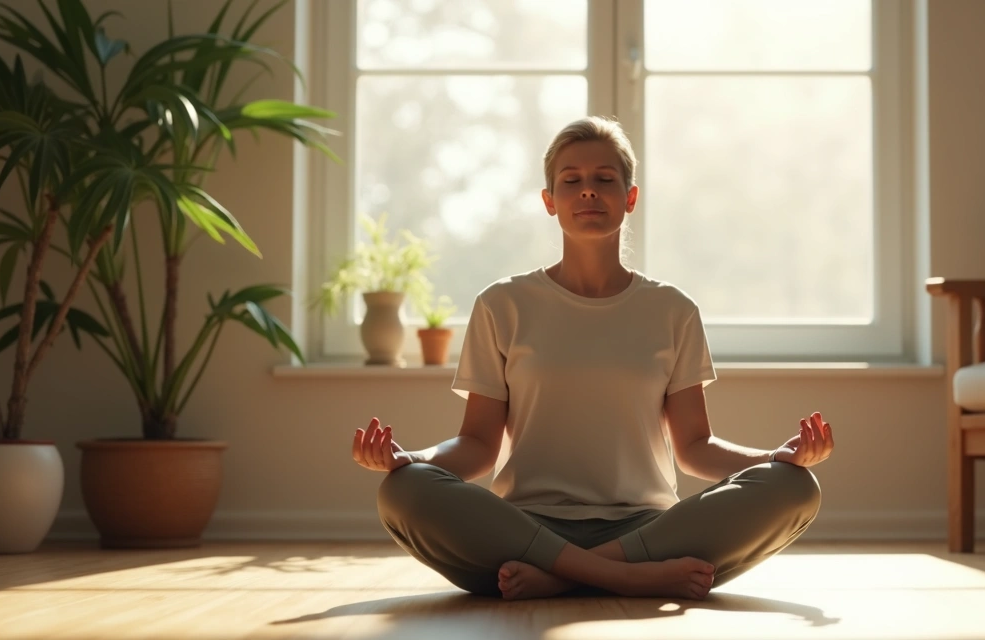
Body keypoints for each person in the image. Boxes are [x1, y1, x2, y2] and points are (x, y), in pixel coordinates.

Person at [352, 116, 834, 601]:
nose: (588, 192)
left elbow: (694, 447)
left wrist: (775, 458)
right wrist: (411, 459)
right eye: (571, 181)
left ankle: (566, 576)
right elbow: (477, 444)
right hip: (524, 530)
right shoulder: (502, 304)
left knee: (796, 487)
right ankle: (625, 579)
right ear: (549, 201)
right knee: (402, 490)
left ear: (630, 197)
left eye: (605, 179)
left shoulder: (673, 309)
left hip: (642, 532)